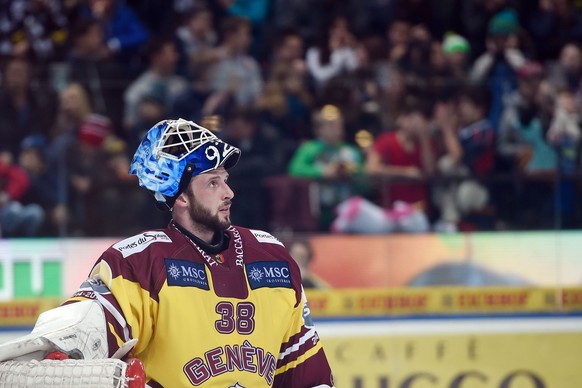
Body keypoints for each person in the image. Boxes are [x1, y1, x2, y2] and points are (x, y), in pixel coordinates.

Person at [0, 118, 335, 387]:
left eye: (226, 179)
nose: (229, 192)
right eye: (212, 182)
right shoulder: (137, 262)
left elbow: (306, 373)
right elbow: (75, 336)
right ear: (180, 196)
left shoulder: (272, 256)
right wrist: (49, 354)